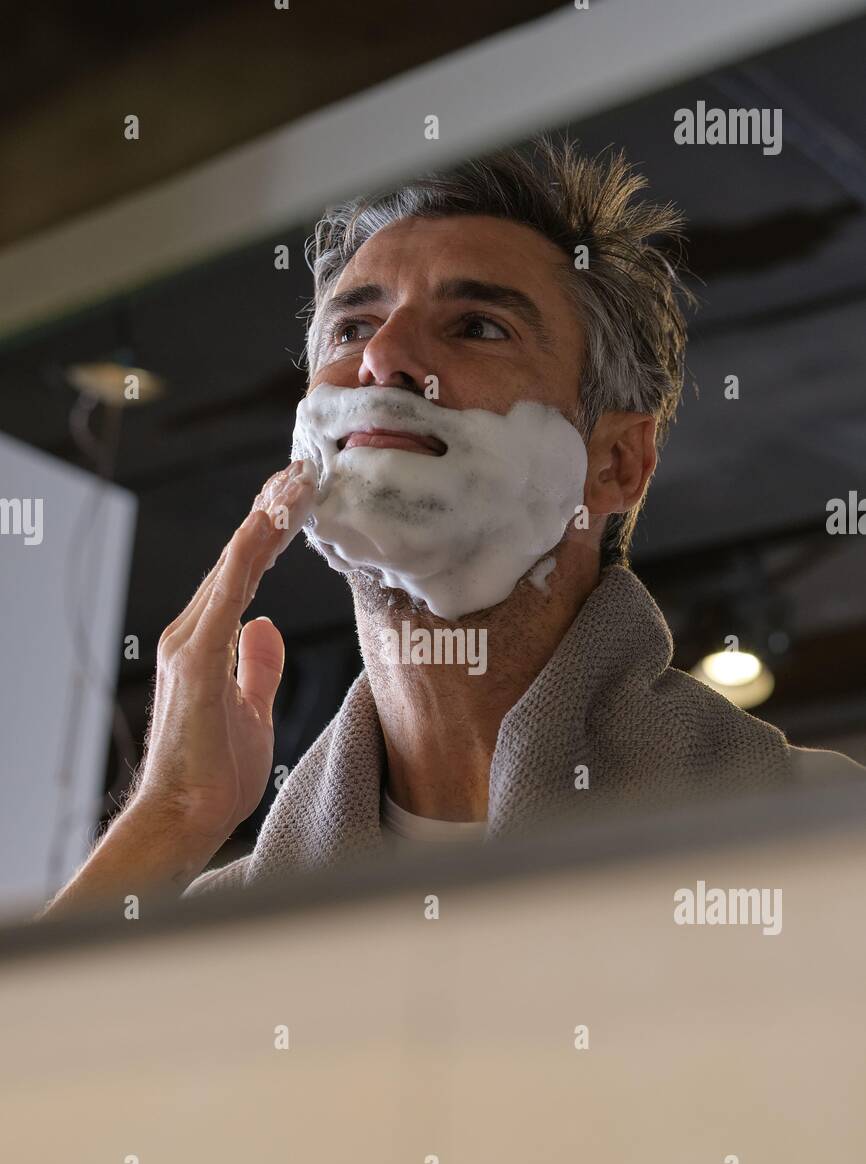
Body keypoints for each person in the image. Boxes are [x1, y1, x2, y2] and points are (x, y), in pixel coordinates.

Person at [42, 137, 864, 916]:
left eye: (477, 326)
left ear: (616, 463)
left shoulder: (814, 844)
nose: (384, 357)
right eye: (353, 326)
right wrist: (170, 814)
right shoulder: (228, 931)